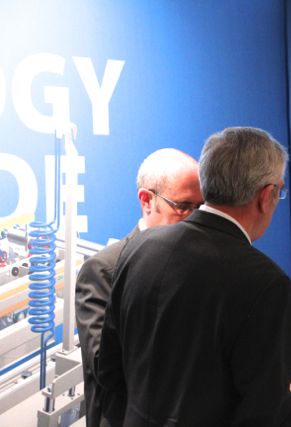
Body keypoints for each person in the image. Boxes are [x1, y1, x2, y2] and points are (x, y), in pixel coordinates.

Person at [97, 127, 291, 426]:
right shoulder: (265, 282)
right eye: (279, 192)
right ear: (265, 196)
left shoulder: (138, 248)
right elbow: (264, 415)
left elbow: (108, 371)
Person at [75, 148, 203, 427]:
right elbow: (107, 368)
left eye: (200, 207)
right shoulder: (104, 270)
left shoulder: (203, 266)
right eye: (183, 206)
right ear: (146, 200)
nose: (194, 217)